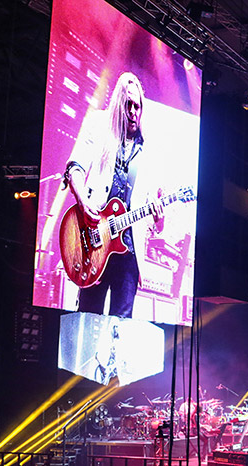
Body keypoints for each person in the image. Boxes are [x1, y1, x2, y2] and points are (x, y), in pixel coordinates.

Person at [63, 71, 163, 317]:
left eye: (137, 106)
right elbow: (74, 167)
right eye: (128, 105)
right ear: (119, 103)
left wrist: (158, 217)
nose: (133, 112)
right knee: (88, 316)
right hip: (95, 242)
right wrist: (84, 203)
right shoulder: (99, 126)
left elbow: (155, 220)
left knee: (122, 325)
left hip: (128, 250)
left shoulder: (148, 148)